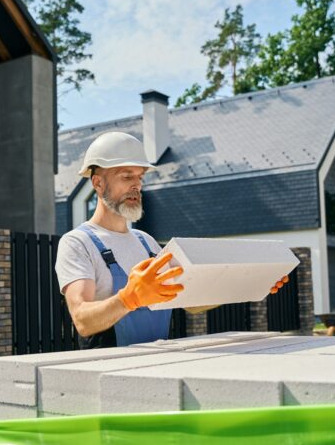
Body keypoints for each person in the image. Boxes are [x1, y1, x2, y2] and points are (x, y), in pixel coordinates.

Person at [55, 131, 287, 349]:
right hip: (107, 373)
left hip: (159, 366)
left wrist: (250, 284)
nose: (136, 185)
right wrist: (129, 298)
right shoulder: (78, 243)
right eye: (126, 176)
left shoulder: (146, 243)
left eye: (140, 177)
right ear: (98, 183)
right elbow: (82, 321)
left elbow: (191, 302)